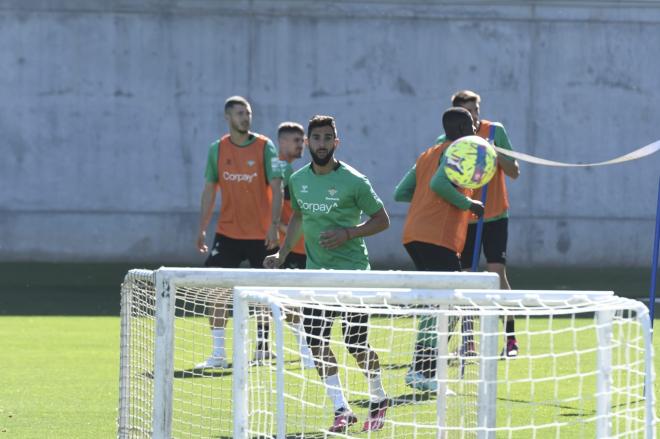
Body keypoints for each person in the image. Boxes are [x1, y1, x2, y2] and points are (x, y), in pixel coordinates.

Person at [264, 115, 391, 433]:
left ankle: (378, 398)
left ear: (337, 142)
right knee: (318, 342)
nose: (322, 143)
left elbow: (382, 220)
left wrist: (349, 233)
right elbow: (298, 217)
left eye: (327, 138)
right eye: (316, 138)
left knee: (356, 344)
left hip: (353, 275)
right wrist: (281, 253)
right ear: (307, 143)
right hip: (316, 276)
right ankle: (341, 409)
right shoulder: (298, 180)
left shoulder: (354, 181)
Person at [394, 107, 484, 392]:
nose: (474, 129)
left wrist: (433, 206)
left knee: (435, 305)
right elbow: (439, 183)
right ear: (459, 130)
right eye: (470, 125)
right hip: (436, 238)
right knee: (451, 306)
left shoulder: (427, 154)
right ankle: (422, 371)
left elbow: (403, 192)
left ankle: (421, 370)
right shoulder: (456, 153)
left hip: (414, 235)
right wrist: (468, 204)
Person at [194, 96, 284, 369]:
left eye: (248, 112)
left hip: (261, 234)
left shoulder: (265, 147)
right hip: (228, 234)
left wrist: (273, 225)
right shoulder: (217, 150)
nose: (245, 117)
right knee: (217, 291)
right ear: (227, 118)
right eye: (239, 113)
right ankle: (219, 354)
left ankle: (263, 349)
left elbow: (278, 187)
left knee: (264, 294)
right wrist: (202, 228)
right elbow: (210, 190)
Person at [437, 90, 521, 357]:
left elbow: (514, 171)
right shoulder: (448, 141)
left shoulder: (495, 132)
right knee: (465, 280)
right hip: (465, 216)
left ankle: (510, 339)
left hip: (495, 214)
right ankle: (468, 342)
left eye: (476, 109)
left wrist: (493, 152)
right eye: (467, 112)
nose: (474, 116)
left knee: (497, 275)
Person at [275, 121, 315, 369]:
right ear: (282, 142)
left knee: (292, 300)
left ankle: (263, 347)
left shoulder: (287, 171)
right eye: (297, 140)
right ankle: (305, 350)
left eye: (302, 140)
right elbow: (277, 212)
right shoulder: (285, 172)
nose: (302, 145)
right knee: (293, 300)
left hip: (298, 246)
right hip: (291, 246)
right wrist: (282, 230)